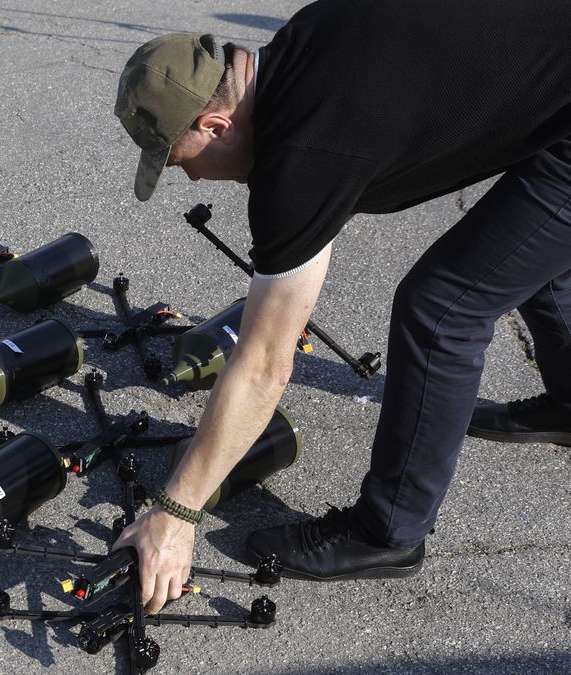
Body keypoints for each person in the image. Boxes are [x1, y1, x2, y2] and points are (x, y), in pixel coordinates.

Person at [111, 0, 571, 615]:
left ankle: (388, 532)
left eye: (178, 161)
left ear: (216, 126)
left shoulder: (305, 151)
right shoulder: (302, 43)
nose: (190, 181)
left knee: (441, 310)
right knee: (520, 255)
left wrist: (176, 513)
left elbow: (266, 360)